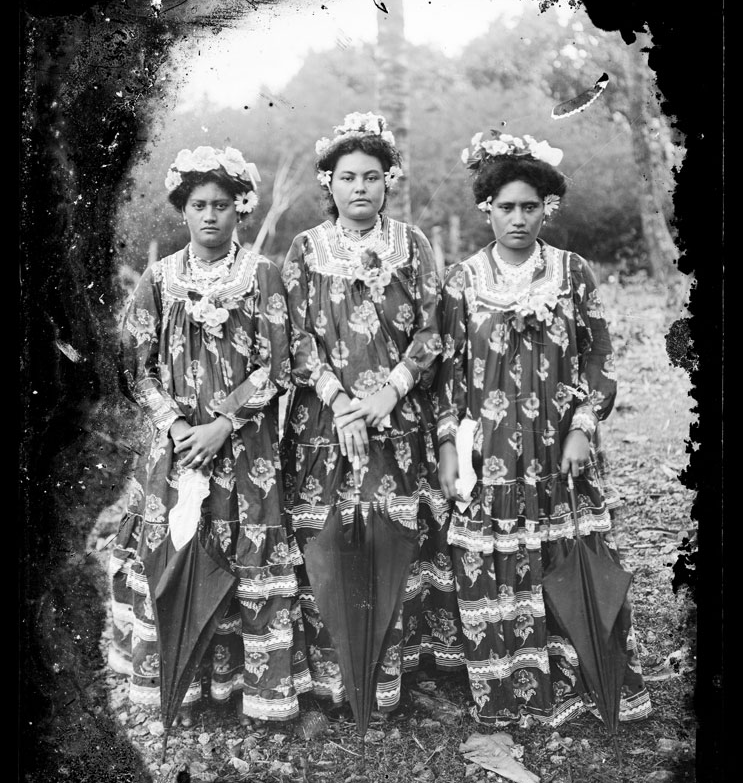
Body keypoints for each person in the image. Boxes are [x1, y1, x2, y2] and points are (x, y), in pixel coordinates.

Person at [436, 131, 651, 728]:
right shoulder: (461, 282)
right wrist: (450, 446)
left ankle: (590, 682)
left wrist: (584, 424)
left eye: (531, 206)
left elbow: (596, 355)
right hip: (495, 456)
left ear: (547, 207)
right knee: (501, 565)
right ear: (486, 209)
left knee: (572, 557)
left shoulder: (571, 271)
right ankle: (514, 695)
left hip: (561, 452)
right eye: (506, 207)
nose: (519, 218)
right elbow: (449, 375)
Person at [108, 145, 310, 728]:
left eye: (222, 205)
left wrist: (222, 423)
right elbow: (134, 368)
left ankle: (251, 690)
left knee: (244, 553)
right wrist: (176, 427)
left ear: (240, 209)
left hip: (244, 449)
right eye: (199, 205)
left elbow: (277, 364)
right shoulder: (160, 278)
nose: (211, 216)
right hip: (177, 451)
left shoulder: (264, 274)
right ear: (183, 209)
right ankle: (184, 677)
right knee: (180, 543)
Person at [281, 112, 464, 715]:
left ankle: (405, 674)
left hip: (399, 420)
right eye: (346, 176)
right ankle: (339, 679)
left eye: (371, 176)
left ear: (389, 181)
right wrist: (339, 401)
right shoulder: (305, 249)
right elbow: (295, 337)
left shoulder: (413, 245)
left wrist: (390, 391)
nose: (359, 187)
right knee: (332, 538)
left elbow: (434, 330)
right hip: (325, 424)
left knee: (395, 538)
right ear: (327, 183)